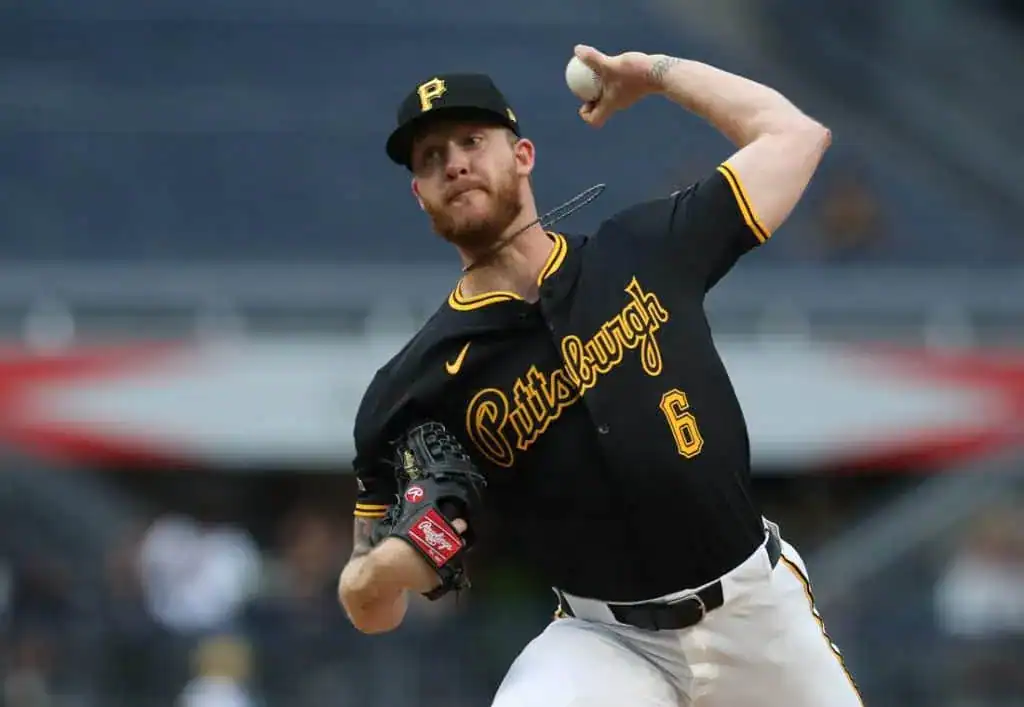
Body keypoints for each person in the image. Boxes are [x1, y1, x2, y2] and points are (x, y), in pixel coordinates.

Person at [338, 44, 863, 707]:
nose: (455, 163)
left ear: (522, 156)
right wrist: (374, 577)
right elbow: (371, 608)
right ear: (420, 196)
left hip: (758, 615)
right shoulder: (410, 388)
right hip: (604, 641)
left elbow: (795, 135)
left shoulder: (643, 252)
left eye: (471, 139)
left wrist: (653, 74)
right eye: (431, 158)